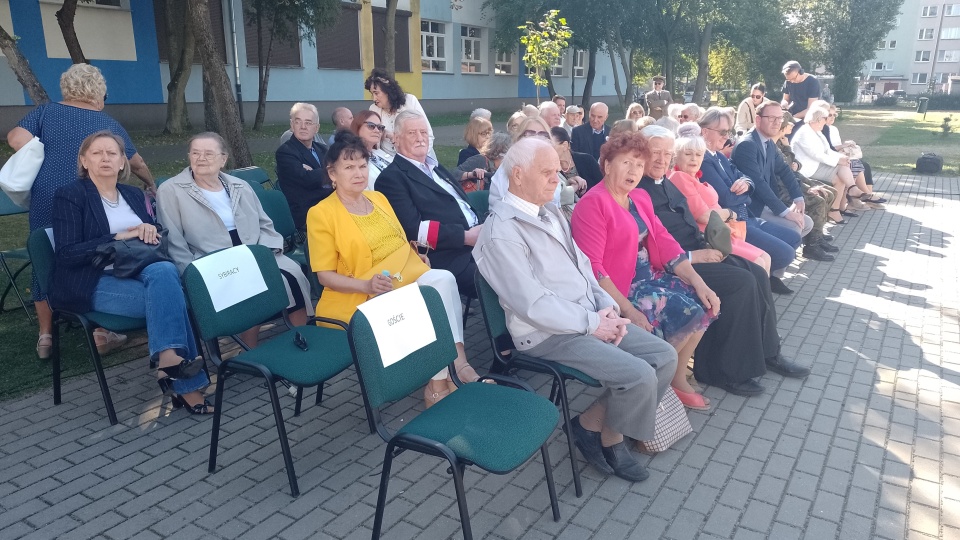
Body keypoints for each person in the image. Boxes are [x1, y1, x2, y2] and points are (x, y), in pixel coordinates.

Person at [474, 137, 678, 482]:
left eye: (558, 170)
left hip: (586, 316)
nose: (558, 179)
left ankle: (587, 425)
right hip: (545, 334)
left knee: (665, 356)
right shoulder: (501, 233)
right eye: (548, 172)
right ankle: (612, 439)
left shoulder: (549, 211)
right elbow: (532, 304)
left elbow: (584, 266)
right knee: (638, 375)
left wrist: (607, 307)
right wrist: (592, 323)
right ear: (518, 175)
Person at [307, 132, 484, 407]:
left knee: (444, 279)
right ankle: (442, 377)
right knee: (425, 299)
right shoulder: (321, 213)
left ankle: (454, 365)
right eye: (349, 167)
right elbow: (324, 276)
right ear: (332, 173)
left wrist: (416, 255)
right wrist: (366, 285)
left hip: (403, 274)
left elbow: (399, 239)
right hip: (363, 291)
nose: (358, 173)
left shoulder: (378, 198)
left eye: (363, 165)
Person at [638, 125, 811, 395]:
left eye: (666, 154)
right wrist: (695, 256)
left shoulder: (666, 182)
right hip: (679, 263)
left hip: (699, 249)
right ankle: (721, 371)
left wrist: (708, 245)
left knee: (755, 273)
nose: (661, 160)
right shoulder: (640, 188)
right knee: (740, 283)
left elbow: (690, 220)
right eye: (654, 153)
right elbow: (656, 243)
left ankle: (769, 351)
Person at [51, 131, 210, 414]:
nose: (105, 158)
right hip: (94, 280)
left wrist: (150, 231)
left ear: (123, 162)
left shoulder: (134, 195)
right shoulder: (71, 196)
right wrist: (118, 236)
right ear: (84, 161)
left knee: (164, 271)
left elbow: (154, 235)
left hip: (141, 271)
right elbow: (67, 253)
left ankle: (169, 363)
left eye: (112, 153)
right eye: (97, 153)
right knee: (176, 299)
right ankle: (182, 380)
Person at [7, 63, 154, 359]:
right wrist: (151, 183)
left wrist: (45, 152)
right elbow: (134, 161)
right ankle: (101, 331)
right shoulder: (106, 122)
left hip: (47, 194)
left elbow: (15, 138)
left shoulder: (45, 112)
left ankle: (46, 336)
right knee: (95, 253)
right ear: (98, 92)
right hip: (89, 195)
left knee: (45, 255)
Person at [570, 132, 719, 411]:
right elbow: (593, 268)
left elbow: (665, 242)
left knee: (705, 303)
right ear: (607, 165)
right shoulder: (594, 203)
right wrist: (628, 310)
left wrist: (699, 282)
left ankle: (670, 379)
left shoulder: (639, 197)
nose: (634, 171)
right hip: (618, 290)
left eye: (639, 165)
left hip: (648, 277)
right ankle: (654, 383)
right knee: (685, 311)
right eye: (627, 163)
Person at [157, 132, 312, 348]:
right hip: (212, 259)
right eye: (195, 153)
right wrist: (191, 274)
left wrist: (266, 253)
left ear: (223, 159)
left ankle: (302, 336)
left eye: (209, 154)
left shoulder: (240, 185)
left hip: (255, 251)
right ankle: (250, 348)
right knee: (250, 285)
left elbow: (264, 223)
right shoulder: (171, 190)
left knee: (293, 275)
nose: (201, 158)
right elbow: (173, 240)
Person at [375, 111, 481, 295]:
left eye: (423, 133)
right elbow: (414, 230)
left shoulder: (435, 167)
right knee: (503, 282)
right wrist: (465, 236)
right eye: (412, 133)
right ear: (397, 139)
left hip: (478, 244)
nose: (420, 138)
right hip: (450, 258)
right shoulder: (392, 178)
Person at [697, 107, 803, 286]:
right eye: (723, 132)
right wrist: (747, 194)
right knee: (785, 254)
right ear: (705, 132)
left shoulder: (719, 157)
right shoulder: (704, 161)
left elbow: (747, 179)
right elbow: (728, 199)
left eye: (729, 131)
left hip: (747, 216)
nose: (727, 137)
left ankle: (766, 277)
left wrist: (746, 184)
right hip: (734, 223)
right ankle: (758, 279)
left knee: (794, 238)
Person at [668, 125, 772, 274]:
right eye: (688, 154)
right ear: (676, 156)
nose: (694, 159)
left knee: (765, 257)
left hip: (724, 233)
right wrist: (730, 213)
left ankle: (763, 297)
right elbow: (704, 216)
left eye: (698, 154)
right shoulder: (679, 177)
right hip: (710, 237)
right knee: (758, 264)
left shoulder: (696, 178)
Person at [731, 101, 815, 247]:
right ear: (758, 119)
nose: (777, 123)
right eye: (772, 118)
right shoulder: (747, 145)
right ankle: (774, 262)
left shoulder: (768, 142)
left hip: (766, 203)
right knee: (795, 228)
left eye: (780, 118)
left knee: (807, 222)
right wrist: (785, 212)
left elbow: (784, 170)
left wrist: (798, 198)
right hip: (752, 207)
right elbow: (758, 183)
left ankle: (775, 255)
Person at [775, 111, 840, 259]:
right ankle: (811, 246)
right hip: (782, 188)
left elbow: (795, 164)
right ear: (784, 125)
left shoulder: (782, 140)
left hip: (794, 178)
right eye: (791, 123)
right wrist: (788, 149)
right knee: (818, 200)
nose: (793, 125)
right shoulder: (777, 143)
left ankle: (817, 236)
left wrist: (794, 162)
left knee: (830, 192)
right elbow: (786, 167)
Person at [788, 105, 857, 225]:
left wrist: (841, 157)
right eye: (826, 118)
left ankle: (835, 210)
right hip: (806, 169)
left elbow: (827, 150)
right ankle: (852, 189)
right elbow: (816, 155)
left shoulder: (817, 132)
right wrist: (837, 161)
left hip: (817, 165)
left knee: (841, 177)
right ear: (819, 119)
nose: (827, 121)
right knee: (841, 167)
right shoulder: (804, 133)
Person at [275, 102, 332, 231]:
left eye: (308, 123)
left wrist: (316, 173)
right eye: (298, 122)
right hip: (308, 213)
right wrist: (331, 172)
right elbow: (307, 180)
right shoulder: (285, 152)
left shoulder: (323, 149)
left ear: (316, 128)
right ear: (291, 126)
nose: (303, 127)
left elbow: (340, 175)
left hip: (330, 205)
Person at [823, 103, 886, 205]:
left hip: (839, 155)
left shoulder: (834, 129)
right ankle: (863, 196)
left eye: (834, 115)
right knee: (855, 164)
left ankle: (867, 195)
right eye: (830, 115)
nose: (832, 118)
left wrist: (847, 146)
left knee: (865, 165)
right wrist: (843, 146)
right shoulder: (822, 129)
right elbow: (828, 149)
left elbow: (837, 146)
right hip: (831, 158)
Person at [364, 68, 434, 156]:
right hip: (388, 161)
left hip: (419, 158)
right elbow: (372, 140)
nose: (374, 98)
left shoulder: (410, 101)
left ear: (388, 91)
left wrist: (420, 158)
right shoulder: (374, 109)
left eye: (376, 93)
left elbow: (428, 134)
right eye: (372, 94)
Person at [349, 110, 393, 190]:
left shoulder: (379, 153)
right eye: (371, 126)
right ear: (357, 127)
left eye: (380, 127)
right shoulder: (350, 158)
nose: (377, 130)